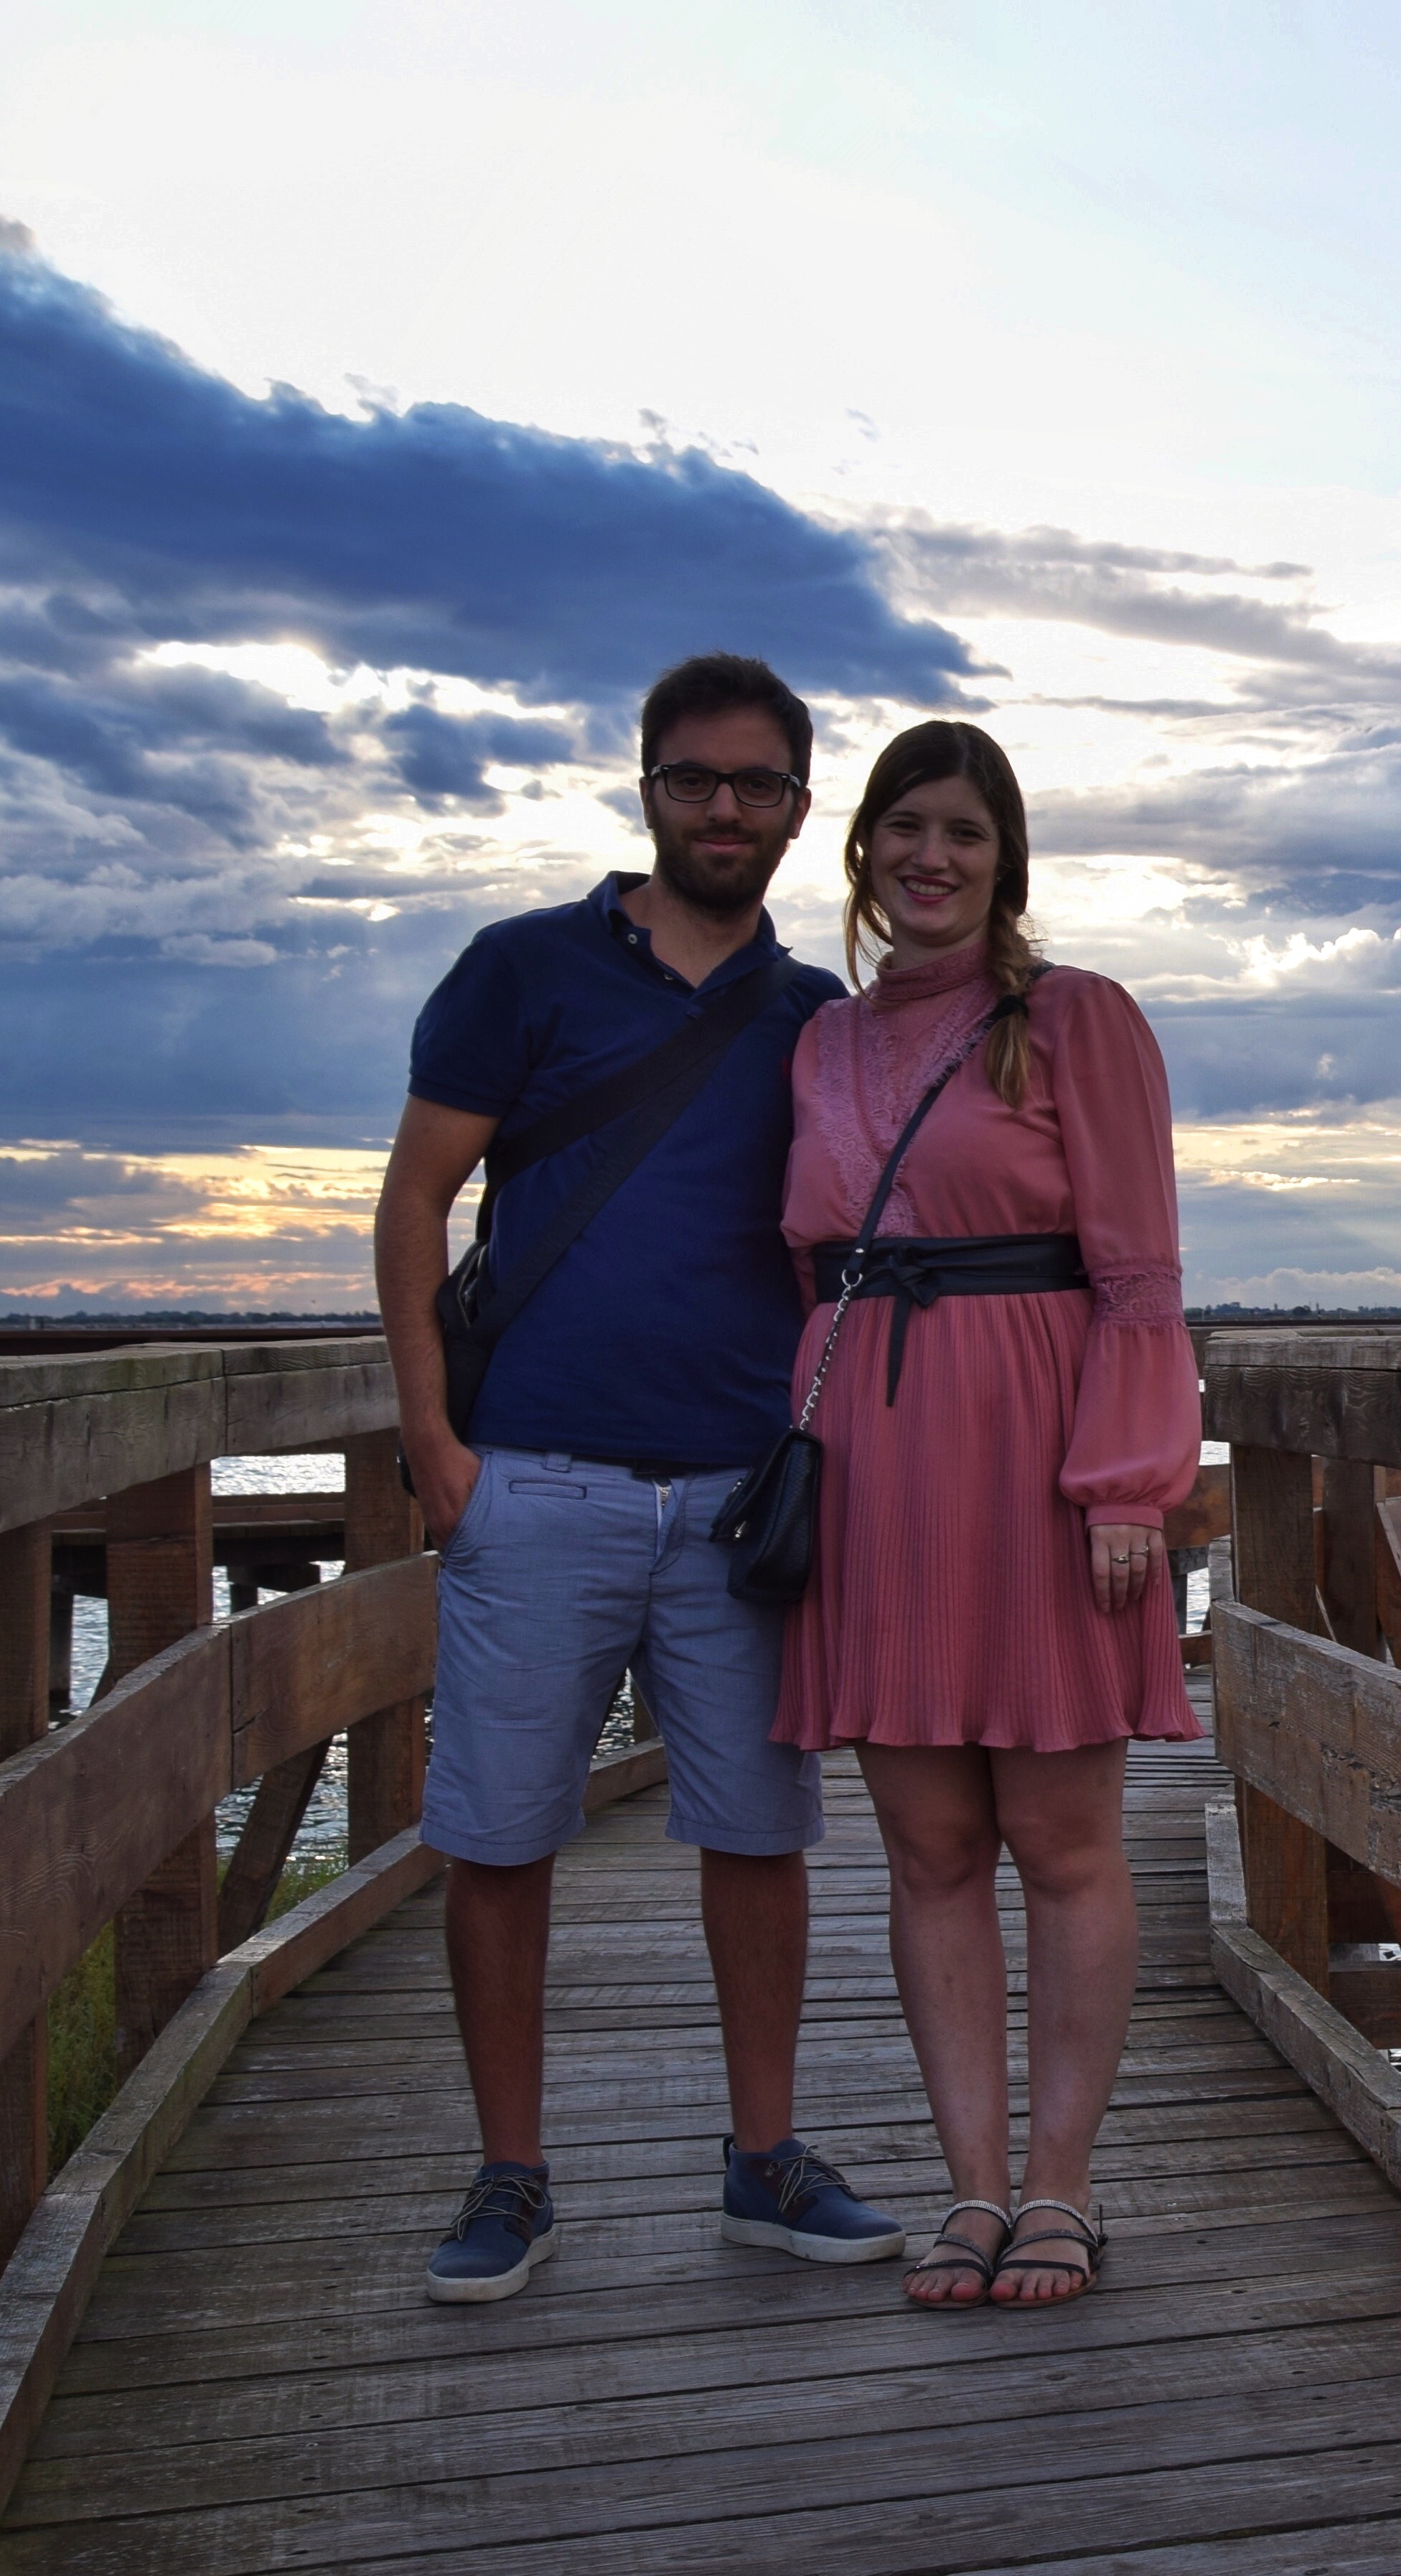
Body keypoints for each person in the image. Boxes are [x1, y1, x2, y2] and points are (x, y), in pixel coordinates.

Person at [375, 653, 908, 2302]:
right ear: (647, 789)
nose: (725, 809)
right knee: (501, 1839)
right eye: (695, 780)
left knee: (760, 1836)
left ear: (801, 810)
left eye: (757, 785)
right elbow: (412, 1209)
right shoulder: (520, 971)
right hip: (536, 1480)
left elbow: (864, 1254)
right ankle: (512, 2177)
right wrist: (437, 1448)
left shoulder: (821, 1020)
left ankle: (765, 2162)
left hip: (741, 1498)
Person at [775, 719, 1201, 2309]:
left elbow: (1141, 1274)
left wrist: (1126, 1481)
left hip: (1036, 1448)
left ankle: (1063, 2187)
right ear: (866, 850)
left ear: (1004, 858)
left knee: (1062, 1841)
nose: (929, 858)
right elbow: (795, 1261)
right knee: (930, 1843)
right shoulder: (820, 1043)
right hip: (873, 1463)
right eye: (904, 828)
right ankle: (970, 2189)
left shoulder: (1070, 1020)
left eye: (961, 831)